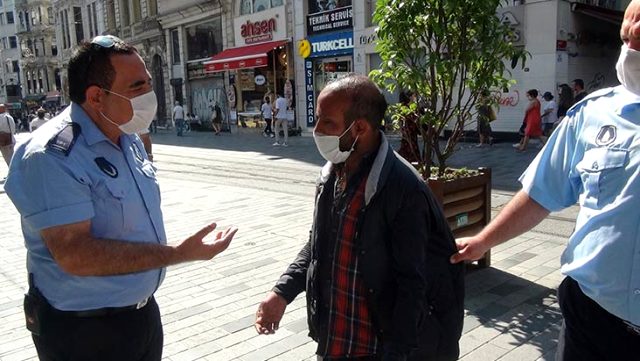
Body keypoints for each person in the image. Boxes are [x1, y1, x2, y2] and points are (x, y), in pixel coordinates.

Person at [4, 35, 238, 361]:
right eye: (137, 86)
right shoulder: (52, 154)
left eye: (149, 83)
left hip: (140, 317)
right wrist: (176, 254)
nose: (149, 95)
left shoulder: (126, 137)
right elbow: (75, 255)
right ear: (97, 97)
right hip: (84, 334)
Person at [452, 2, 640, 359]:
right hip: (592, 319)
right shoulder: (592, 114)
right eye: (625, 39)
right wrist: (482, 240)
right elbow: (540, 193)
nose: (630, 51)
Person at [255, 75, 464, 361]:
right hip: (335, 341)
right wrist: (281, 292)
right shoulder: (332, 173)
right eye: (317, 119)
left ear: (360, 128)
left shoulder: (403, 189)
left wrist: (397, 354)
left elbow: (412, 286)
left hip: (377, 350)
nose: (316, 130)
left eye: (327, 122)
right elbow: (317, 246)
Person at [397, 91, 421, 161]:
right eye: (414, 96)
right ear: (409, 97)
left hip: (409, 133)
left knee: (407, 147)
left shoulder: (405, 107)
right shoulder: (407, 108)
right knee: (410, 149)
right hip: (409, 133)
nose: (415, 98)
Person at [0, 103, 16, 169]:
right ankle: (13, 169)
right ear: (5, 109)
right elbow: (13, 128)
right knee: (11, 156)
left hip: (1, 141)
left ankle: (11, 169)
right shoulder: (9, 117)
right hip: (9, 139)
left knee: (6, 157)